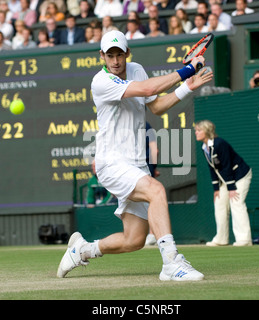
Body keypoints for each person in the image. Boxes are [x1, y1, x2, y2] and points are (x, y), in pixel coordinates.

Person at [57, 30, 213, 281]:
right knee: (157, 190)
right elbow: (148, 87)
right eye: (110, 55)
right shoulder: (100, 81)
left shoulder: (137, 69)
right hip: (112, 163)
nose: (116, 61)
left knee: (134, 239)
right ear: (102, 56)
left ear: (127, 53)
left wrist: (187, 86)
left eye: (120, 54)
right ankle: (172, 263)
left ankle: (82, 250)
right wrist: (187, 70)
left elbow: (157, 105)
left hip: (136, 164)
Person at [194, 120, 253, 247]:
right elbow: (213, 168)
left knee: (236, 203)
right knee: (219, 204)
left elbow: (227, 165)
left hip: (240, 176)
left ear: (207, 131)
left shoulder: (220, 144)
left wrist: (231, 188)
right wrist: (216, 188)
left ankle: (244, 239)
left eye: (199, 130)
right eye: (196, 130)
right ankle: (221, 239)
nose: (196, 133)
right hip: (226, 179)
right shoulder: (205, 147)